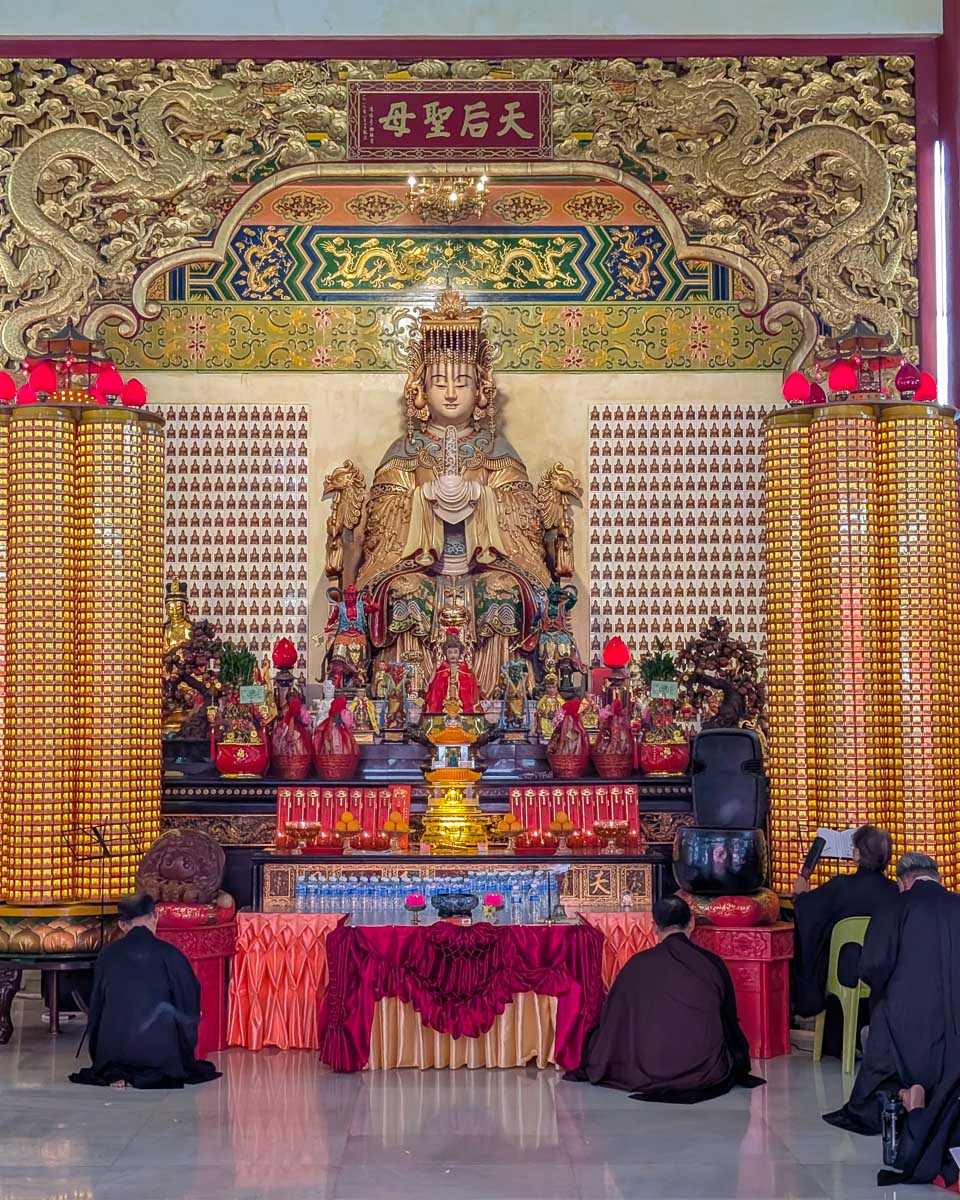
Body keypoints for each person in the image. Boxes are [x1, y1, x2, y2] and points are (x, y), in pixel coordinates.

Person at [823, 852, 960, 1191]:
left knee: (881, 1025)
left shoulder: (895, 906)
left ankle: (899, 1098)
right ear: (937, 876)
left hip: (905, 1017)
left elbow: (872, 965)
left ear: (903, 881)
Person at [565, 895, 764, 1103]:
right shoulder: (711, 963)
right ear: (692, 922)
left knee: (593, 1039)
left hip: (645, 1068)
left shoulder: (636, 965)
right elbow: (729, 1021)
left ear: (654, 926)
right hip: (705, 1069)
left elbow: (613, 1021)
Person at [69, 893, 220, 1090]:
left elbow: (96, 1008)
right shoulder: (171, 954)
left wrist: (101, 1054)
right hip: (161, 1056)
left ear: (123, 925)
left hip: (114, 1054)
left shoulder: (107, 955)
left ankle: (116, 1070)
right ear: (154, 917)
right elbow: (189, 1003)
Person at [792, 824, 898, 1057]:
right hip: (883, 974)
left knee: (824, 950)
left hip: (845, 973)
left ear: (857, 854)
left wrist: (800, 894)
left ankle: (836, 1042)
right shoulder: (895, 891)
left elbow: (808, 914)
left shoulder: (841, 886)